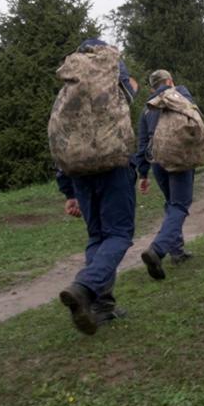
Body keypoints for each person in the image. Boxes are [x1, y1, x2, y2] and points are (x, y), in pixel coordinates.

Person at [57, 38, 138, 335]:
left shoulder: (71, 83)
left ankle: (102, 305)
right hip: (113, 166)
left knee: (97, 236)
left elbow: (63, 134)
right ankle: (86, 288)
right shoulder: (111, 68)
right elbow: (129, 96)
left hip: (78, 170)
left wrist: (67, 189)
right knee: (118, 234)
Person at [137, 69, 195, 280]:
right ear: (170, 81)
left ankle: (177, 251)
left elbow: (142, 142)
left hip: (156, 160)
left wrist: (142, 174)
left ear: (153, 87)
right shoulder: (180, 95)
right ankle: (158, 250)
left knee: (172, 203)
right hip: (179, 158)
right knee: (179, 205)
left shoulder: (147, 108)